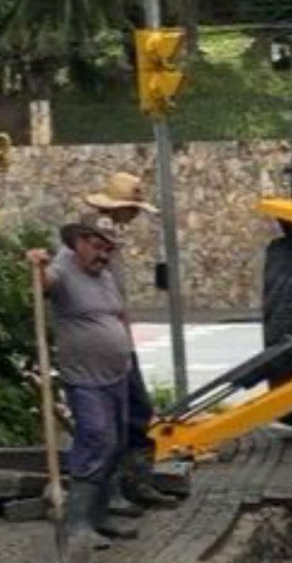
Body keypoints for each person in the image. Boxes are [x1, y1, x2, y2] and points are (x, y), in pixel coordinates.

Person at [28, 216, 139, 560]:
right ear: (78, 241)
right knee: (97, 439)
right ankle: (76, 525)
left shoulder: (104, 276)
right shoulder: (61, 269)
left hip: (117, 373)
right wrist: (36, 266)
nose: (104, 255)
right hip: (85, 377)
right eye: (98, 246)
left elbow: (118, 316)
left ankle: (100, 517)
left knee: (116, 442)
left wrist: (128, 352)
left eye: (109, 248)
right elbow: (45, 284)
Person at [82, 173, 178, 512]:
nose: (136, 215)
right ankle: (121, 488)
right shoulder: (94, 239)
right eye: (133, 208)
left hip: (119, 339)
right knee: (125, 413)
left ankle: (133, 484)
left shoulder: (109, 237)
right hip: (103, 344)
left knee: (135, 410)